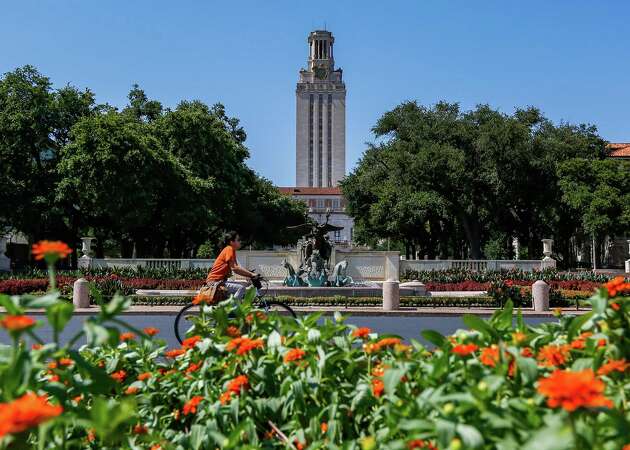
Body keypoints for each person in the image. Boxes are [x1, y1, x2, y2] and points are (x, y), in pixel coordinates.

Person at [206, 231, 258, 300]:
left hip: (218, 281)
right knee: (241, 288)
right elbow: (235, 268)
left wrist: (248, 274)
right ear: (231, 242)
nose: (240, 242)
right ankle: (234, 309)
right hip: (215, 282)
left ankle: (231, 307)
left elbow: (237, 268)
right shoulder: (229, 249)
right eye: (238, 240)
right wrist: (251, 274)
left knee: (240, 288)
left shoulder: (232, 251)